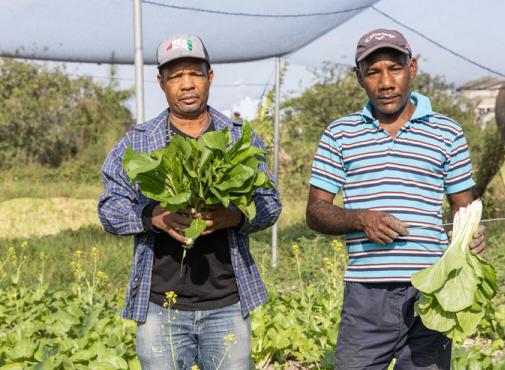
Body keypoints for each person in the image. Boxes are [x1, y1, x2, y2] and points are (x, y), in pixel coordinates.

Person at [98, 34, 281, 370]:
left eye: (195, 74)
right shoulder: (137, 143)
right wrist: (152, 216)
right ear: (161, 82)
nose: (186, 85)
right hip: (159, 307)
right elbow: (109, 209)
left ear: (209, 77)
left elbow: (270, 202)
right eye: (176, 76)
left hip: (226, 304)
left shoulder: (238, 138)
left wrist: (235, 216)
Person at [305, 29, 485, 370]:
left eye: (395, 68)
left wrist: (470, 233)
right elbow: (316, 212)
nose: (385, 82)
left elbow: (464, 205)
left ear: (412, 69)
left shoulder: (447, 132)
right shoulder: (339, 134)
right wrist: (360, 219)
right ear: (359, 78)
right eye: (373, 72)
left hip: (432, 292)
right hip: (366, 296)